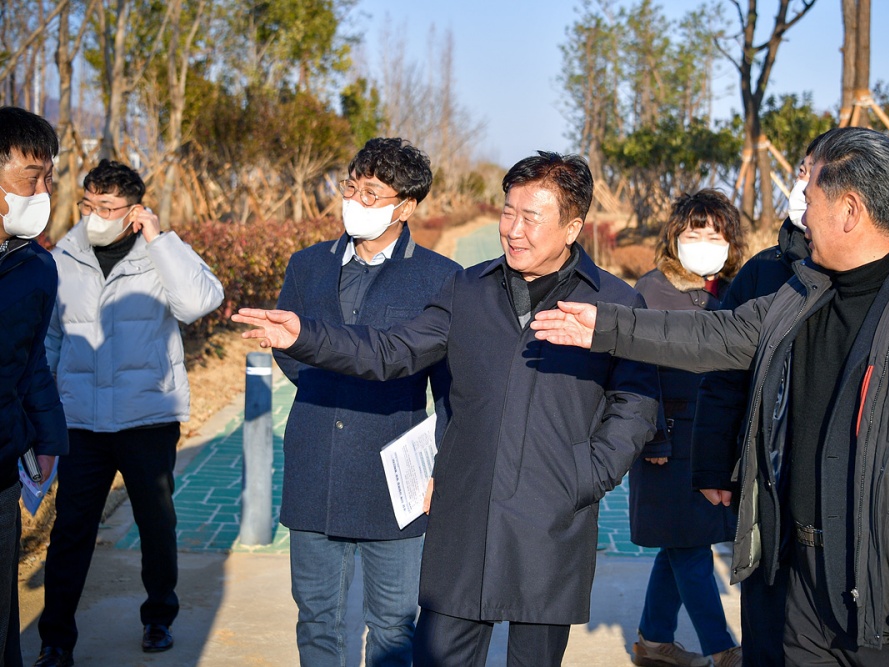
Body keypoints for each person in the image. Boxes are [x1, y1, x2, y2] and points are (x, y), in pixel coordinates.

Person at [532, 127, 889, 665]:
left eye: (812, 195)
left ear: (849, 210)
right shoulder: (800, 293)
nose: (800, 208)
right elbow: (713, 337)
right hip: (794, 573)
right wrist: (606, 327)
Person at [233, 151, 659, 667]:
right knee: (438, 656)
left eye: (531, 218)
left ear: (572, 227)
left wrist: (589, 473)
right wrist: (307, 336)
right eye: (508, 212)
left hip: (550, 516)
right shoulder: (467, 290)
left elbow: (636, 399)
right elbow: (392, 352)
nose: (513, 230)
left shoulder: (613, 302)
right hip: (465, 514)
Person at [273, 137, 459, 667]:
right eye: (351, 187)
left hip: (395, 471)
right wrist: (326, 386)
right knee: (316, 615)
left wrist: (440, 463)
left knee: (395, 622)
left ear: (406, 206)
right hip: (313, 458)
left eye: (372, 192)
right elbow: (291, 349)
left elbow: (451, 385)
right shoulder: (307, 265)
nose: (354, 199)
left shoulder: (440, 277)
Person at [36, 159, 224, 666]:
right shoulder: (62, 258)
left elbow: (199, 301)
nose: (96, 215)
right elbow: (51, 338)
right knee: (71, 530)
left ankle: (159, 616)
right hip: (81, 422)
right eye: (89, 204)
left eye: (110, 207)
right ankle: (55, 638)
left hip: (147, 418)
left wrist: (161, 241)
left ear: (134, 210)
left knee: (156, 523)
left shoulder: (159, 254)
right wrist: (47, 412)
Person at [690, 137, 820, 667]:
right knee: (766, 608)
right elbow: (723, 375)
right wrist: (711, 463)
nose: (804, 188)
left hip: (837, 482)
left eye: (817, 175)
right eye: (802, 172)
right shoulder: (765, 272)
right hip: (765, 475)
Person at [629, 190, 744, 667]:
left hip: (711, 439)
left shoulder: (733, 291)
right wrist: (653, 434)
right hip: (669, 440)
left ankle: (653, 641)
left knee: (679, 543)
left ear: (729, 242)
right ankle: (723, 649)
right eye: (693, 232)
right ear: (674, 236)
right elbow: (637, 367)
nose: (703, 241)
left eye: (714, 233)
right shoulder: (651, 290)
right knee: (691, 546)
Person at [0, 106, 69, 667]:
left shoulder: (36, 267)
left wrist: (47, 438)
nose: (43, 190)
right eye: (31, 176)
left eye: (48, 177)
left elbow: (30, 365)